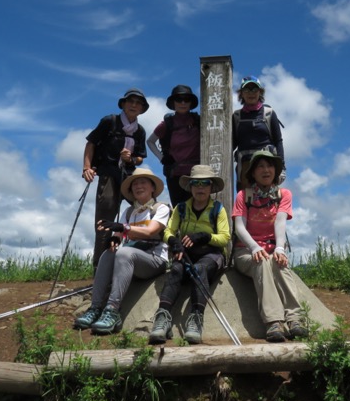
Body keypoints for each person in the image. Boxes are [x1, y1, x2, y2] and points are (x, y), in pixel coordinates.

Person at [73, 168, 170, 334]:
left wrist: (122, 227)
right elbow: (118, 233)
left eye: (143, 182)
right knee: (108, 253)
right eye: (135, 184)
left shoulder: (161, 208)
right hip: (133, 256)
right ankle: (95, 307)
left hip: (155, 258)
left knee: (124, 253)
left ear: (153, 188)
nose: (139, 186)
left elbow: (150, 231)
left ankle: (112, 310)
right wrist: (115, 238)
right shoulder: (129, 211)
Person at [148, 165, 231, 345]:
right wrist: (173, 242)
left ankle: (196, 319)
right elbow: (168, 230)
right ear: (190, 186)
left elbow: (225, 238)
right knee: (176, 270)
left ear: (211, 187)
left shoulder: (218, 209)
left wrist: (205, 236)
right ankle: (162, 318)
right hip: (186, 255)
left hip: (212, 255)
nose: (200, 187)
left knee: (200, 269)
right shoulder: (181, 208)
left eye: (205, 183)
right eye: (196, 183)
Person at [232, 150, 307, 342]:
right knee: (263, 262)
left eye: (270, 165)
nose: (266, 170)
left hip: (272, 248)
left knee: (279, 263)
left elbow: (280, 222)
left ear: (276, 170)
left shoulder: (284, 194)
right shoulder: (243, 195)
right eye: (260, 166)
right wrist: (254, 248)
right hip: (245, 251)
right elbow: (239, 227)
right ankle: (274, 322)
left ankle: (295, 318)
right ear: (253, 173)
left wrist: (280, 248)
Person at [82, 88, 149, 267]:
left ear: (142, 108)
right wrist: (87, 167)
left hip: (127, 176)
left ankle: (142, 256)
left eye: (138, 103)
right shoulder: (110, 121)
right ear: (124, 104)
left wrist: (131, 158)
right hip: (108, 174)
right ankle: (100, 270)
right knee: (105, 222)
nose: (134, 105)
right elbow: (91, 143)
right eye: (131, 101)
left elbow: (140, 157)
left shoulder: (140, 131)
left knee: (145, 209)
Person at [147, 85, 201, 207]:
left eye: (186, 99)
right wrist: (162, 158)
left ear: (191, 103)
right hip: (174, 174)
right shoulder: (167, 124)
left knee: (198, 208)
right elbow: (150, 141)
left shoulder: (199, 121)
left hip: (196, 174)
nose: (183, 102)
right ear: (173, 102)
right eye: (179, 99)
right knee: (179, 209)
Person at [232, 76, 285, 191]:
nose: (251, 93)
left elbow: (278, 141)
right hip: (245, 166)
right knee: (246, 201)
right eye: (247, 90)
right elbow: (232, 144)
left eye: (254, 89)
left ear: (260, 92)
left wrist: (282, 168)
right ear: (241, 93)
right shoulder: (236, 116)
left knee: (268, 201)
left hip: (266, 165)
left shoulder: (269, 113)